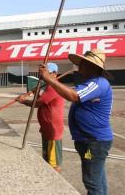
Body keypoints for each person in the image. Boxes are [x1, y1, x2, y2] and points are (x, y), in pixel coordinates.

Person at [39, 49, 113, 195]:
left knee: (92, 181)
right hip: (89, 140)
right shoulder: (90, 84)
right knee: (98, 180)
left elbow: (73, 96)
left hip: (93, 141)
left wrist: (48, 78)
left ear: (93, 67)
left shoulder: (98, 83)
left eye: (83, 64)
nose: (79, 68)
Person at [17, 63, 64, 172]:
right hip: (46, 128)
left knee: (54, 165)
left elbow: (39, 103)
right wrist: (35, 93)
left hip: (53, 130)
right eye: (41, 74)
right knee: (47, 160)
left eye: (45, 73)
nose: (42, 76)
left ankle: (55, 184)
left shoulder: (53, 87)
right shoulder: (47, 86)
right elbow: (41, 100)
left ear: (54, 74)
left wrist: (24, 101)